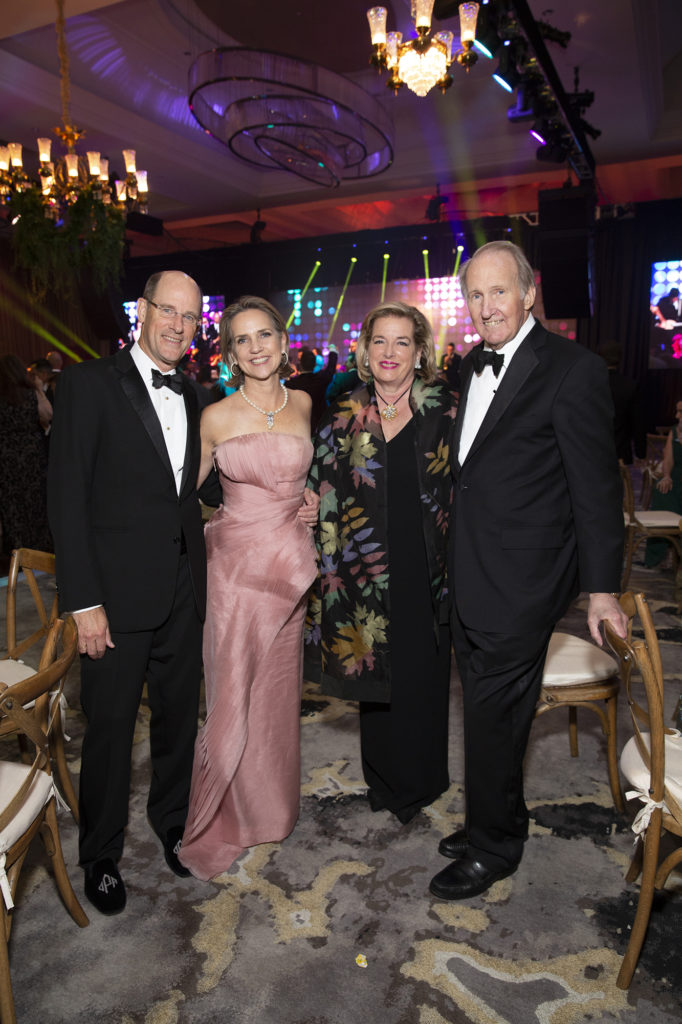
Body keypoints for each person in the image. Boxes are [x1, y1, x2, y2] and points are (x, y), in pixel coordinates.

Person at [429, 240, 628, 901]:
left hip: (524, 578)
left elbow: (596, 488)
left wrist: (601, 589)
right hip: (472, 568)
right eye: (476, 295)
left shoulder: (572, 370)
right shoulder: (467, 368)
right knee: (494, 713)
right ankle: (494, 815)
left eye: (500, 292)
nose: (488, 307)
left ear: (530, 292)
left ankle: (494, 848)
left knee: (492, 711)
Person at [47, 270, 222, 915]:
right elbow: (66, 499)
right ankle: (101, 854)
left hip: (183, 590)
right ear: (142, 313)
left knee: (178, 722)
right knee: (112, 730)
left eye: (190, 316)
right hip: (115, 600)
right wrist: (84, 601)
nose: (179, 325)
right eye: (168, 311)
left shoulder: (198, 393)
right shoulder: (88, 384)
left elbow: (192, 489)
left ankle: (172, 824)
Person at [179, 296, 318, 880]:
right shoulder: (214, 416)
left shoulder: (306, 402)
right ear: (230, 352)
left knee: (278, 694)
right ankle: (227, 813)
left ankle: (271, 809)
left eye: (265, 335)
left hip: (289, 566)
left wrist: (310, 500)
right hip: (234, 573)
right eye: (242, 339)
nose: (256, 347)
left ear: (283, 342)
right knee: (234, 691)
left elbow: (308, 475)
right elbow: (181, 496)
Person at [306, 301, 456, 824]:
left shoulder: (446, 409)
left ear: (419, 352)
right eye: (380, 342)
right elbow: (318, 481)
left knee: (423, 671)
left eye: (402, 342)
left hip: (427, 562)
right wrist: (309, 503)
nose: (389, 352)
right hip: (363, 566)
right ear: (365, 352)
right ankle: (384, 778)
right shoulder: (345, 413)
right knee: (376, 670)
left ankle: (423, 778)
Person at [0, 354, 53, 555]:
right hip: (32, 456)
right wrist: (38, 389)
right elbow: (48, 415)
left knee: (13, 507)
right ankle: (38, 554)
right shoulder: (29, 395)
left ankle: (18, 554)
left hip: (6, 459)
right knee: (35, 504)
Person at [645, 398, 682, 567]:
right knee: (662, 488)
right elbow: (668, 460)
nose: (677, 415)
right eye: (677, 411)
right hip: (676, 476)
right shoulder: (674, 431)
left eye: (680, 412)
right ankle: (657, 554)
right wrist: (666, 475)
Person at [598, 342, 645, 464]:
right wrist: (641, 454)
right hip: (620, 454)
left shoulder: (587, 385)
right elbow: (638, 423)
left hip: (591, 453)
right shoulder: (630, 386)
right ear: (619, 359)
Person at [286, 345, 338, 432]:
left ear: (300, 364)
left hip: (299, 427)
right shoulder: (321, 380)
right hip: (319, 427)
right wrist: (333, 351)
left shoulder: (291, 384)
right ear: (314, 364)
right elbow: (331, 369)